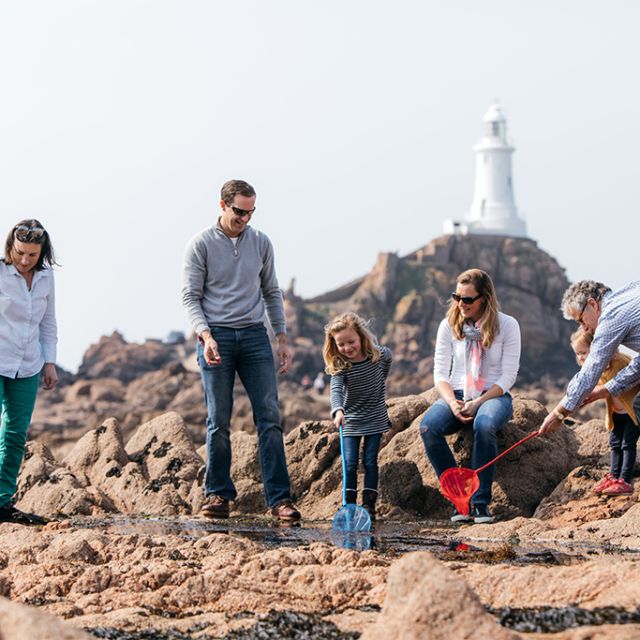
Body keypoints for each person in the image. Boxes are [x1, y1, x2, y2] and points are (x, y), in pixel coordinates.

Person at [181, 179, 300, 521]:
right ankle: (218, 495)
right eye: (239, 212)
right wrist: (206, 335)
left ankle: (279, 499)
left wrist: (281, 337)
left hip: (253, 336)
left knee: (270, 417)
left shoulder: (261, 243)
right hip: (215, 335)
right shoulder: (200, 245)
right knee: (218, 418)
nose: (245, 219)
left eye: (251, 213)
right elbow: (190, 296)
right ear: (222, 206)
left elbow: (271, 292)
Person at [419, 268, 521, 524]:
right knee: (428, 427)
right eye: (457, 297)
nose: (460, 304)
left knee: (484, 424)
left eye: (467, 299)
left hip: (493, 396)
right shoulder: (448, 326)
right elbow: (440, 373)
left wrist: (478, 403)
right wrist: (453, 402)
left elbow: (508, 376)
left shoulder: (507, 325)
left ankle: (480, 503)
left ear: (484, 298)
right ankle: (458, 497)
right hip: (457, 393)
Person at [0, 220, 58, 525]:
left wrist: (50, 362)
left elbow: (48, 323)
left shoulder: (46, 277)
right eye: (20, 252)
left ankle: (2, 503)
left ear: (42, 253)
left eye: (32, 255)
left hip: (29, 365)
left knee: (14, 434)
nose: (25, 260)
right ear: (11, 246)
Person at [540, 280, 640, 436]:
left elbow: (590, 370)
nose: (583, 327)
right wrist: (608, 388)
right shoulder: (629, 292)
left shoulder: (610, 318)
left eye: (580, 319)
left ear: (593, 304)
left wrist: (560, 413)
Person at [323, 312, 392, 521]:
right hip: (350, 419)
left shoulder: (379, 357)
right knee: (350, 463)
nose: (347, 348)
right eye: (341, 344)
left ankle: (369, 506)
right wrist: (338, 410)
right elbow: (335, 389)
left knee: (370, 461)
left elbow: (387, 362)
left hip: (375, 417)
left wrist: (377, 389)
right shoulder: (341, 366)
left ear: (361, 337)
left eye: (351, 342)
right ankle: (349, 506)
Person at [570, 328, 639, 496]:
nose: (580, 357)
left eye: (584, 352)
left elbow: (634, 376)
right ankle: (614, 476)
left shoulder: (620, 361)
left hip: (633, 412)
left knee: (627, 445)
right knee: (615, 445)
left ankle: (624, 480)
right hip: (616, 413)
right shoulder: (595, 370)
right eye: (577, 354)